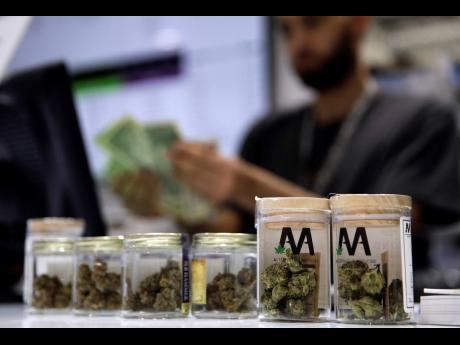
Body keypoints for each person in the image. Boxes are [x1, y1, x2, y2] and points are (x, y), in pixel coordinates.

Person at [167, 16, 460, 275]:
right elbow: (234, 233)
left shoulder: (420, 121)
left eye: (312, 22)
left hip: (374, 309)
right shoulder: (267, 133)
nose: (299, 43)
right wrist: (174, 202)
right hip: (282, 307)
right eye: (286, 30)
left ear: (358, 21)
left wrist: (243, 185)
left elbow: (384, 237)